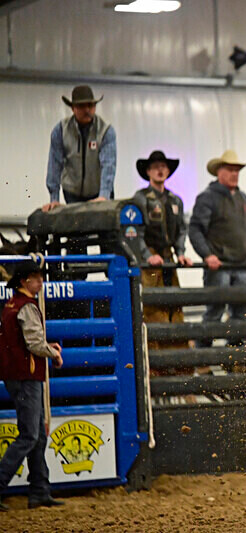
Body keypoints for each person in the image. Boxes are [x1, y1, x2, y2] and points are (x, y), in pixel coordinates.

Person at [0, 261, 65, 511]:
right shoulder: (26, 307)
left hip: (16, 375)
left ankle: (39, 489)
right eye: (37, 279)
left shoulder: (11, 305)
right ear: (25, 281)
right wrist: (54, 354)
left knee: (35, 434)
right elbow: (35, 343)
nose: (41, 283)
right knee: (30, 435)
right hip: (27, 377)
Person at [188, 150, 246, 345]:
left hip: (242, 265)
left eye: (237, 170)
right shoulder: (208, 198)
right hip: (220, 266)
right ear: (219, 172)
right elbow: (195, 229)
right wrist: (207, 255)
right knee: (215, 311)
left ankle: (232, 359)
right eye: (230, 170)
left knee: (240, 313)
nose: (235, 174)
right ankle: (203, 358)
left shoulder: (242, 198)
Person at [133, 150, 193, 360]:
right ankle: (157, 365)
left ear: (168, 171)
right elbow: (136, 231)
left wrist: (181, 252)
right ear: (148, 171)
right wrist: (146, 255)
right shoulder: (141, 199)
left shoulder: (175, 200)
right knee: (153, 309)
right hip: (152, 259)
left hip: (168, 259)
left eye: (163, 167)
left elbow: (181, 230)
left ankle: (179, 365)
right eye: (155, 167)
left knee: (174, 308)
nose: (160, 170)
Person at [42, 85, 117, 212]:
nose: (87, 110)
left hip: (98, 191)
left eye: (91, 105)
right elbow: (54, 165)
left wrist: (104, 195)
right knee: (74, 229)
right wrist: (54, 199)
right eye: (82, 106)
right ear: (73, 108)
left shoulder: (105, 131)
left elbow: (108, 165)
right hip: (72, 192)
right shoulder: (60, 130)